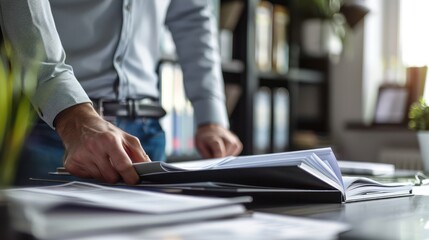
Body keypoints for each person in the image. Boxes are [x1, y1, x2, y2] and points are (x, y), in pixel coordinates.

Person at [10, 0, 243, 185]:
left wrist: (211, 118)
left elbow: (192, 18)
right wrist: (72, 116)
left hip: (146, 136)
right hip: (54, 131)